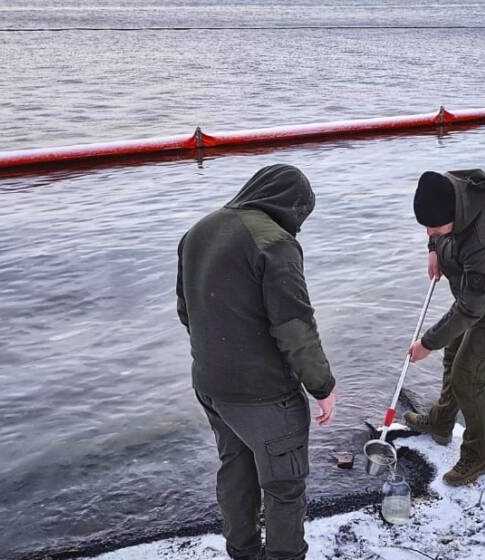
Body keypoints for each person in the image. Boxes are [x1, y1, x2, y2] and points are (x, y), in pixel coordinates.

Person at [176, 164, 337, 560]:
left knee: (236, 468)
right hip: (264, 395)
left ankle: (243, 551)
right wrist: (322, 386)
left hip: (211, 384)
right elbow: (295, 325)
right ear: (292, 208)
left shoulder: (200, 229)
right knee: (284, 486)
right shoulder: (275, 243)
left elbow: (186, 310)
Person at [403, 169, 485, 486]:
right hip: (474, 287)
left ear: (454, 216)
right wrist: (434, 249)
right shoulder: (450, 190)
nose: (430, 231)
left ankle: (478, 456)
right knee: (453, 352)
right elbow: (437, 226)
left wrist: (427, 343)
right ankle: (441, 422)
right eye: (427, 227)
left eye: (435, 228)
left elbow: (471, 309)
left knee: (468, 374)